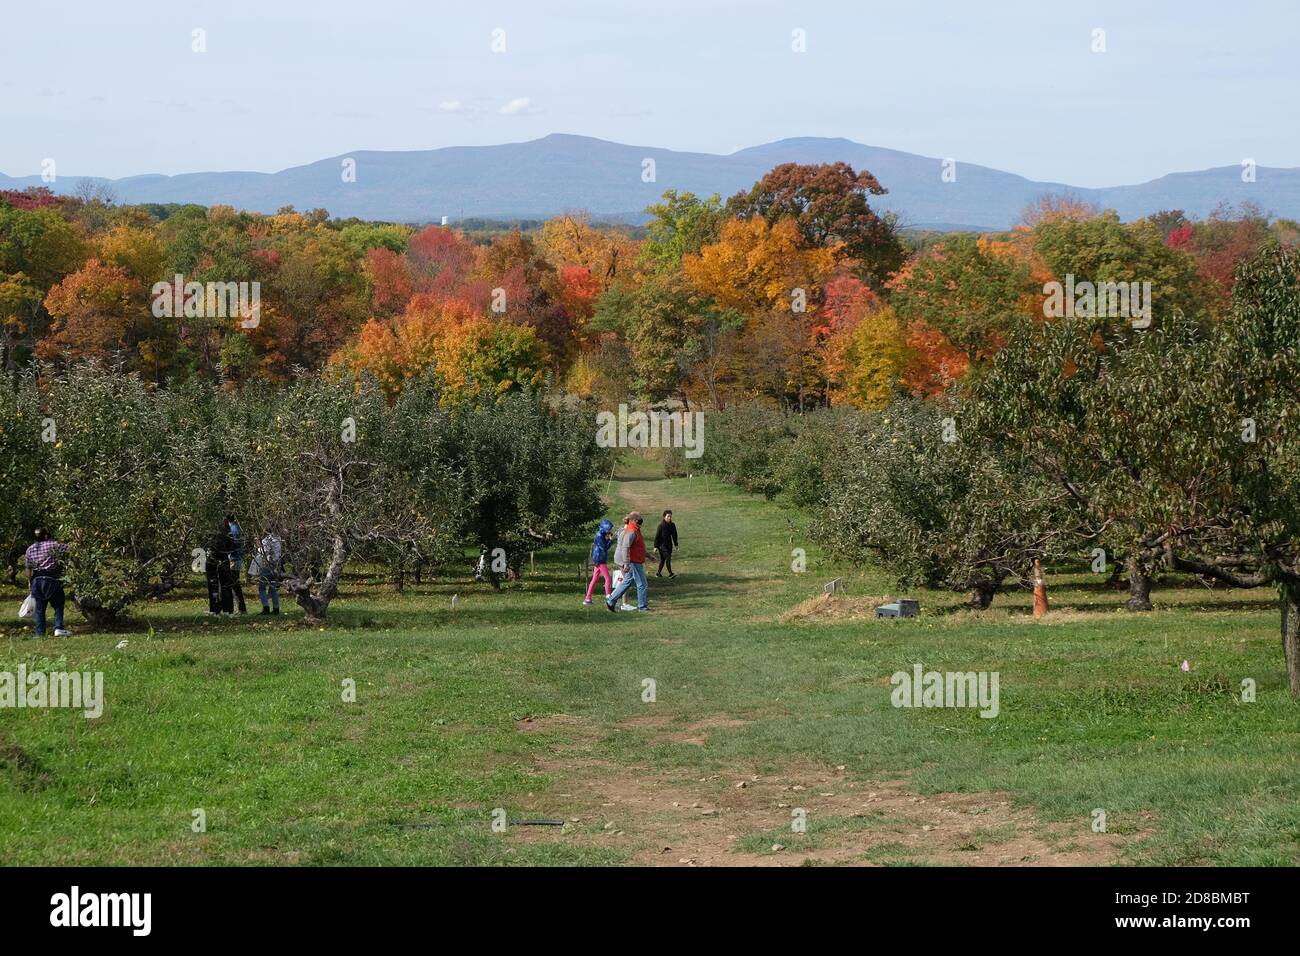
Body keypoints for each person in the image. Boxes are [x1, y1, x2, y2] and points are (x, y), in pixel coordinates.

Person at [24, 528, 70, 637]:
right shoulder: (53, 545)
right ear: (46, 536)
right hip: (51, 578)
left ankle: (40, 633)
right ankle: (58, 628)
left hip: (37, 580)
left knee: (40, 608)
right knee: (58, 603)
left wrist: (30, 582)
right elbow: (70, 548)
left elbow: (28, 568)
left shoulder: (30, 549)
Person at [606, 511, 649, 613]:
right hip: (633, 561)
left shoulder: (635, 529)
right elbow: (625, 547)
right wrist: (626, 563)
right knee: (642, 584)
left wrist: (648, 555)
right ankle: (642, 607)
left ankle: (611, 601)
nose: (641, 521)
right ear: (634, 520)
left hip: (635, 560)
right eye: (639, 519)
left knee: (627, 581)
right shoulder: (631, 531)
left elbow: (638, 547)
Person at [205, 523, 236, 616]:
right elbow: (231, 547)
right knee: (225, 585)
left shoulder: (208, 533)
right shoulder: (226, 533)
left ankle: (214, 609)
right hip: (223, 559)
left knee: (213, 585)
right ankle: (228, 609)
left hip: (212, 560)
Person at [250, 531, 283, 615]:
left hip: (268, 566)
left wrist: (258, 545)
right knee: (273, 588)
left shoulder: (267, 540)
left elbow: (264, 553)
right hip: (276, 565)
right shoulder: (277, 538)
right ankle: (276, 608)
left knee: (262, 587)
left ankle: (266, 608)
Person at [584, 519, 614, 605]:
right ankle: (609, 597)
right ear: (604, 528)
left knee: (595, 578)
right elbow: (604, 548)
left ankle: (588, 598)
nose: (610, 530)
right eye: (609, 529)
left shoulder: (602, 534)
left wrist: (608, 538)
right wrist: (610, 540)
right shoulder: (599, 536)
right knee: (608, 578)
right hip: (600, 559)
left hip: (599, 558)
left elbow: (605, 547)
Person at [226, 513, 248, 614]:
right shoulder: (237, 527)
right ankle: (240, 607)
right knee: (234, 584)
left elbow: (232, 545)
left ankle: (240, 608)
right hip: (237, 558)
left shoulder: (232, 530)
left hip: (234, 559)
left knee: (233, 584)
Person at [654, 509, 678, 578]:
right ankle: (671, 574)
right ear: (664, 517)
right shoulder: (661, 526)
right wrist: (655, 546)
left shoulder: (672, 525)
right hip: (661, 546)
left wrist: (676, 544)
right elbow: (657, 537)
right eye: (668, 516)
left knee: (663, 560)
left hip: (669, 545)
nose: (669, 518)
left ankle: (658, 573)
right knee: (668, 558)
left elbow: (674, 535)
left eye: (670, 516)